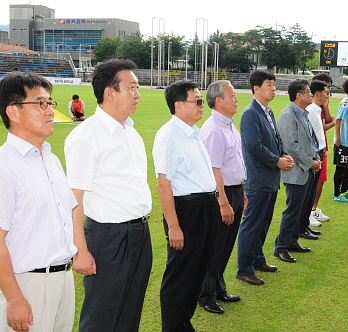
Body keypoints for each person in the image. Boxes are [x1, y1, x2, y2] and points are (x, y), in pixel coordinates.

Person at [65, 59, 153, 332]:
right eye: (132, 87)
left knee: (130, 312)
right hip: (108, 238)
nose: (138, 94)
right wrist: (81, 250)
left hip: (139, 232)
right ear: (109, 92)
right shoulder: (86, 136)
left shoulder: (131, 132)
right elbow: (74, 198)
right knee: (102, 316)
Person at [0, 71, 76, 332]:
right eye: (40, 103)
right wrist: (14, 298)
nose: (50, 110)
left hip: (64, 279)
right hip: (28, 285)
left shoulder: (50, 159)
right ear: (13, 112)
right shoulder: (4, 165)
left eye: (50, 103)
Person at [153, 79, 218, 332]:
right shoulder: (169, 135)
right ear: (179, 105)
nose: (202, 105)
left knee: (197, 272)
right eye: (197, 100)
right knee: (180, 276)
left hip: (204, 207)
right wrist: (174, 227)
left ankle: (183, 324)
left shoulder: (193, 132)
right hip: (187, 211)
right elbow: (163, 184)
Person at [237, 69, 293, 285]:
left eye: (273, 84)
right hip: (258, 179)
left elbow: (275, 138)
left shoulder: (267, 111)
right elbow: (254, 146)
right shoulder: (250, 113)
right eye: (269, 84)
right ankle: (244, 267)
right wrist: (276, 160)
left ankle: (257, 259)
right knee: (252, 224)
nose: (273, 88)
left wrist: (282, 154)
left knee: (263, 222)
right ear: (256, 88)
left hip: (269, 177)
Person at [198, 80, 247, 315]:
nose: (236, 99)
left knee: (226, 245)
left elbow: (234, 162)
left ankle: (217, 288)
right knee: (215, 247)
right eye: (232, 95)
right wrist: (224, 201)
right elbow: (213, 170)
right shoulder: (214, 129)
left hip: (235, 191)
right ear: (219, 100)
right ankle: (205, 295)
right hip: (222, 194)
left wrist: (241, 193)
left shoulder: (228, 126)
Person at [274, 79, 322, 263]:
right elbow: (291, 146)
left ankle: (292, 241)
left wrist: (315, 159)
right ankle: (281, 247)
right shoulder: (288, 115)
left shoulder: (302, 113)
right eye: (308, 91)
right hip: (297, 170)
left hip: (308, 168)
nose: (311, 94)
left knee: (301, 209)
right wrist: (310, 163)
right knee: (293, 210)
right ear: (299, 95)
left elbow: (309, 140)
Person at [309, 73, 335, 226]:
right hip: (315, 149)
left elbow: (328, 120)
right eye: (326, 90)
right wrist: (335, 122)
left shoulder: (319, 107)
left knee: (320, 182)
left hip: (322, 146)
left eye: (330, 89)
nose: (328, 93)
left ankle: (314, 209)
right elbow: (326, 125)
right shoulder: (311, 109)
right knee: (314, 183)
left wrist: (325, 106)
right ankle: (310, 211)